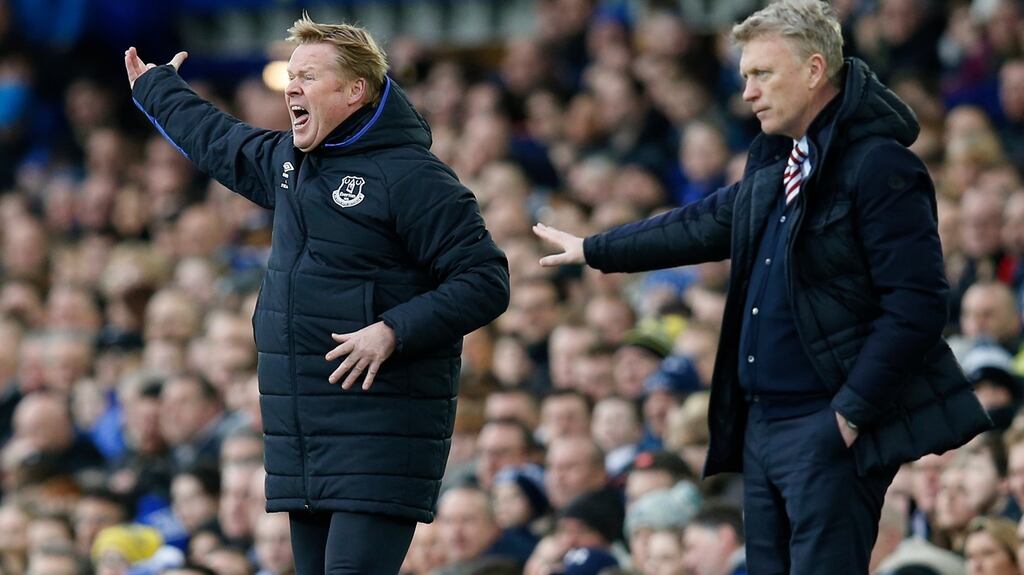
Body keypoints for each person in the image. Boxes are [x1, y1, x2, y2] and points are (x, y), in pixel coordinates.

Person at [533, 1, 990, 573]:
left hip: (826, 425)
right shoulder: (777, 163)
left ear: (815, 70)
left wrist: (848, 416)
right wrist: (594, 248)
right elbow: (698, 224)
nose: (747, 92)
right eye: (745, 75)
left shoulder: (880, 166)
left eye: (762, 74)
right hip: (764, 426)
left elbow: (918, 305)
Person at [124, 13, 510, 575]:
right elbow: (219, 143)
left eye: (308, 75)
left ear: (356, 91)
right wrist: (156, 88)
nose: (292, 87)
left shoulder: (414, 177)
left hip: (380, 432)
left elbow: (486, 281)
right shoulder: (292, 164)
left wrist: (393, 330)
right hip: (303, 438)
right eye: (291, 76)